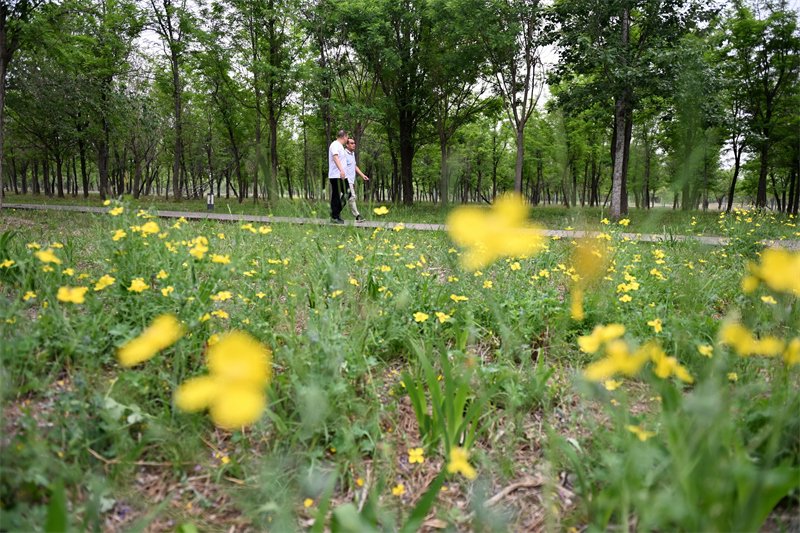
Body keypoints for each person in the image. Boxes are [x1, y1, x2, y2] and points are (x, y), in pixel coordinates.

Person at [343, 138, 370, 221]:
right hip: (345, 179)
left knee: (344, 198)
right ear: (347, 145)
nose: (353, 144)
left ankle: (334, 214)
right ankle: (357, 216)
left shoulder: (352, 154)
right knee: (352, 197)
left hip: (351, 180)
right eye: (351, 143)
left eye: (354, 143)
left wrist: (362, 175)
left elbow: (354, 166)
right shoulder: (343, 154)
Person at [328, 130, 348, 223]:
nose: (347, 139)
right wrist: (341, 170)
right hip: (336, 175)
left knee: (346, 193)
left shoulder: (339, 146)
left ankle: (335, 214)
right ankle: (335, 216)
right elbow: (335, 157)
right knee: (337, 195)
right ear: (344, 136)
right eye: (347, 137)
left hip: (340, 175)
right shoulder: (335, 144)